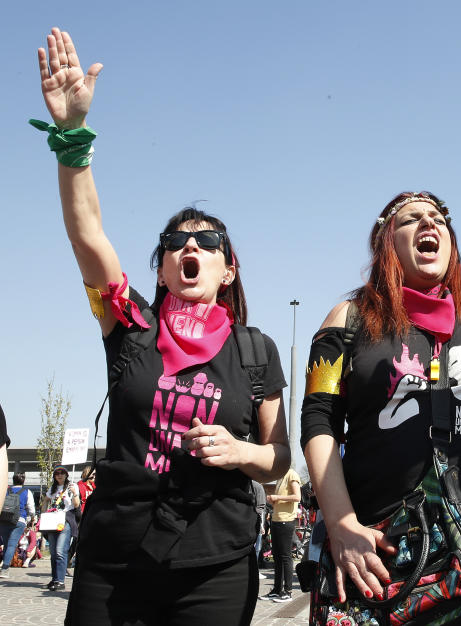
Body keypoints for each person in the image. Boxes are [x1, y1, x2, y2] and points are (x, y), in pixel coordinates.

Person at [32, 28, 290, 624]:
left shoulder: (256, 350)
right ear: (164, 265)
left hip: (214, 563)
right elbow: (87, 234)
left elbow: (278, 458)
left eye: (207, 241)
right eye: (176, 242)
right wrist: (72, 137)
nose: (190, 247)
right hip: (115, 560)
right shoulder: (129, 325)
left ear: (229, 268)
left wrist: (238, 451)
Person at [301, 50, 461, 624]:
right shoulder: (348, 317)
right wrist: (340, 523)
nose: (429, 223)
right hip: (386, 547)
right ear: (386, 243)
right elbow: (317, 420)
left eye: (438, 216)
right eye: (410, 218)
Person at [259, 466, 301, 602]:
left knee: (285, 556)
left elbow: (297, 497)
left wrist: (277, 497)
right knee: (276, 556)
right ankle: (277, 589)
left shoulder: (292, 475)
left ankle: (288, 591)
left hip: (286, 521)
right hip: (276, 520)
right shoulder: (280, 476)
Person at [41, 465, 80, 591]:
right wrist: (44, 512)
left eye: (62, 472)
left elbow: (76, 505)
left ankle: (60, 580)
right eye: (57, 473)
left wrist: (74, 493)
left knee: (60, 551)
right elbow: (46, 500)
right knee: (53, 552)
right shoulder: (52, 489)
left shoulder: (71, 486)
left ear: (66, 474)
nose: (60, 475)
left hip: (65, 521)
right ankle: (54, 578)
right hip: (52, 522)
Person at [1, 472, 35, 578]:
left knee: (6, 544)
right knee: (12, 545)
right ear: (23, 480)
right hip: (19, 521)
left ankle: (4, 565)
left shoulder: (5, 490)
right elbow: (31, 509)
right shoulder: (27, 492)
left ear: (13, 480)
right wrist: (31, 518)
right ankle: (5, 569)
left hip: (4, 520)